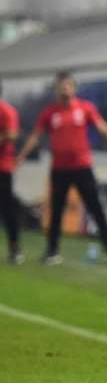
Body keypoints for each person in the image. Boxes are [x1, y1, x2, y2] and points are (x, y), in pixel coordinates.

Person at [16, 71, 107, 265]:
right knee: (56, 210)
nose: (65, 89)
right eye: (61, 86)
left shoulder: (85, 108)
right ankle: (52, 251)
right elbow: (36, 136)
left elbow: (102, 127)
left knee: (95, 208)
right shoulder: (50, 113)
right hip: (59, 169)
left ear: (73, 88)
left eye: (68, 86)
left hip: (82, 167)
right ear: (56, 90)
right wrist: (21, 156)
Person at [0, 79, 23, 264]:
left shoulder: (7, 111)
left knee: (7, 209)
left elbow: (13, 134)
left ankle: (15, 248)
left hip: (3, 168)